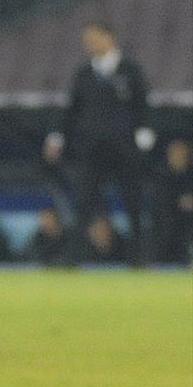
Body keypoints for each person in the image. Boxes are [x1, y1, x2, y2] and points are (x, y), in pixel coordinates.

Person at [44, 23, 151, 252]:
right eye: (87, 40)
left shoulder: (130, 70)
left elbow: (143, 104)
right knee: (84, 201)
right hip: (92, 148)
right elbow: (72, 110)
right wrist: (57, 137)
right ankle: (75, 254)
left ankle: (139, 255)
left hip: (124, 146)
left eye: (94, 38)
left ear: (110, 38)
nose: (89, 44)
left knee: (132, 199)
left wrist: (144, 130)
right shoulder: (84, 73)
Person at [148, 137, 193, 264]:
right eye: (175, 152)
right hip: (166, 229)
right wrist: (180, 202)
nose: (178, 155)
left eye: (181, 152)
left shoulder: (190, 175)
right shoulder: (160, 176)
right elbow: (162, 204)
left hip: (187, 227)